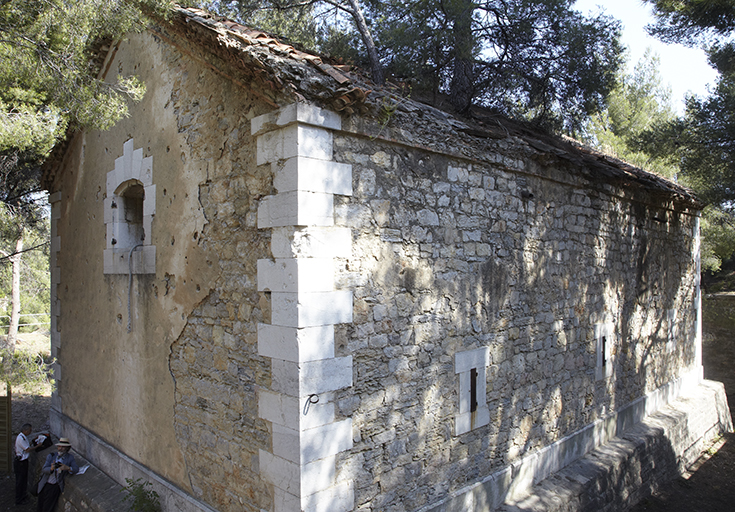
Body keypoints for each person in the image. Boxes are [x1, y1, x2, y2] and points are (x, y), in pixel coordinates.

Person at [36, 438, 78, 512]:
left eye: (63, 447)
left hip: (54, 486)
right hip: (45, 484)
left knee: (48, 507)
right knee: (40, 505)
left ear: (67, 448)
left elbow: (75, 469)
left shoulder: (69, 458)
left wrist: (67, 468)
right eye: (59, 447)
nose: (60, 449)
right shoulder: (51, 456)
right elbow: (44, 469)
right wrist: (51, 469)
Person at [14, 423, 35, 505]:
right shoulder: (21, 438)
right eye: (30, 430)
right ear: (25, 430)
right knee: (20, 481)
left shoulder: (23, 437)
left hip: (23, 462)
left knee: (23, 480)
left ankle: (23, 495)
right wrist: (37, 446)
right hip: (20, 463)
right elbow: (27, 449)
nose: (30, 431)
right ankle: (19, 499)